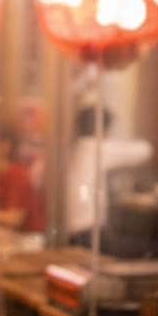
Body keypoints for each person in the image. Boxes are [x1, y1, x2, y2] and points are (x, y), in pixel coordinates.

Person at [65, 105, 152, 246]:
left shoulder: (77, 147)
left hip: (75, 231)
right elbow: (145, 151)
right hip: (87, 232)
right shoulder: (94, 147)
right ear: (102, 129)